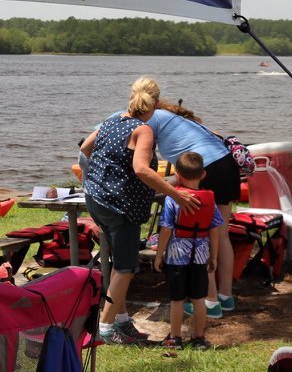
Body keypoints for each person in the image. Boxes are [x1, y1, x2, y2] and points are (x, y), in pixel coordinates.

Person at [80, 77, 201, 344]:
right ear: (156, 104)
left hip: (96, 199)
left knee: (119, 262)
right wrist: (175, 194)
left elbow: (85, 148)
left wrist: (105, 173)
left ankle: (122, 321)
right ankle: (105, 328)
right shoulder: (143, 130)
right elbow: (142, 169)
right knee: (126, 267)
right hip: (120, 205)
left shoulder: (112, 121)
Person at [145, 99, 243, 314]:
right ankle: (226, 296)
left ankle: (210, 301)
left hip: (208, 167)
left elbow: (152, 160)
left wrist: (152, 186)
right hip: (226, 165)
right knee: (222, 234)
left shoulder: (152, 118)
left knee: (201, 236)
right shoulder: (184, 121)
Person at [153, 151, 223, 350]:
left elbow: (166, 229)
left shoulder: (172, 199)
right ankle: (198, 338)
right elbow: (214, 230)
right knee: (199, 299)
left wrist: (159, 254)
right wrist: (214, 256)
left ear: (178, 174)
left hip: (177, 256)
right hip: (201, 255)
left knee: (177, 299)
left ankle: (175, 338)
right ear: (203, 174)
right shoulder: (209, 199)